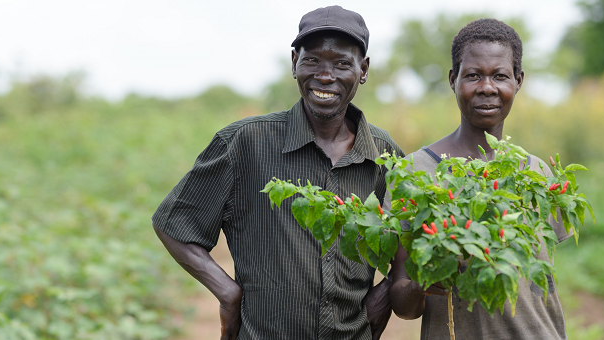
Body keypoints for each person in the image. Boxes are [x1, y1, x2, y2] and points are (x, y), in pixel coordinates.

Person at [152, 5, 405, 340]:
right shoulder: (245, 143)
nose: (325, 76)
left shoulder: (386, 157)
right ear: (294, 63)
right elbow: (173, 224)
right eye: (312, 60)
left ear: (363, 70)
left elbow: (407, 254)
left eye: (342, 63)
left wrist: (379, 304)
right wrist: (228, 292)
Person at [388, 18, 570, 339]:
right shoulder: (415, 172)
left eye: (500, 76)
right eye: (473, 75)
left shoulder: (537, 172)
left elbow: (540, 286)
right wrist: (425, 282)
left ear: (518, 81)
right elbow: (403, 305)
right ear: (453, 80)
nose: (487, 87)